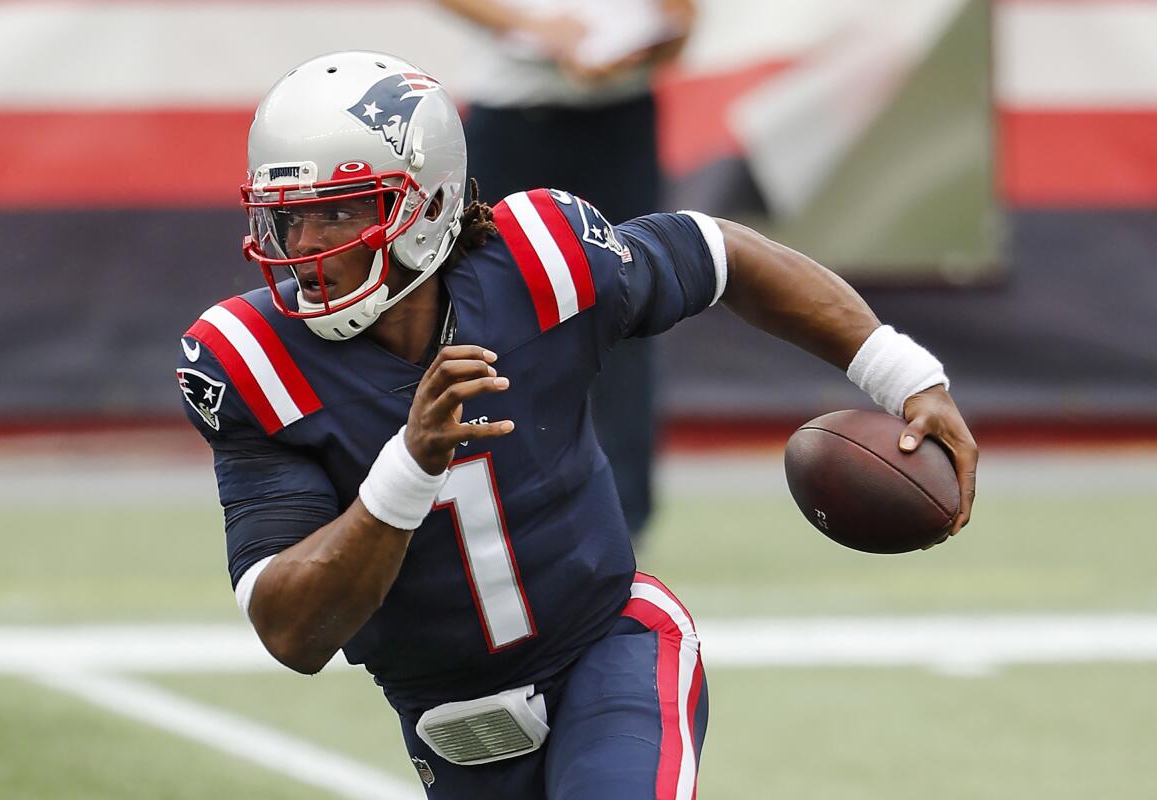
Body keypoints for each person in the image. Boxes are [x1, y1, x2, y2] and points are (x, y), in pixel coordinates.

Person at [176, 51, 977, 800]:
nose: (305, 247)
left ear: (424, 206)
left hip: (609, 647)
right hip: (451, 723)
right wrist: (409, 468)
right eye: (288, 219)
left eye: (338, 212)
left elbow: (721, 254)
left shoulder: (543, 263)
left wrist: (906, 376)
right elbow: (291, 631)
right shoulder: (249, 363)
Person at [436, 0, 697, 540]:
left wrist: (667, 29)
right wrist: (538, 30)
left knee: (631, 304)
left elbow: (679, 16)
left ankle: (623, 518)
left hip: (619, 117)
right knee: (487, 309)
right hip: (514, 115)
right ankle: (488, 503)